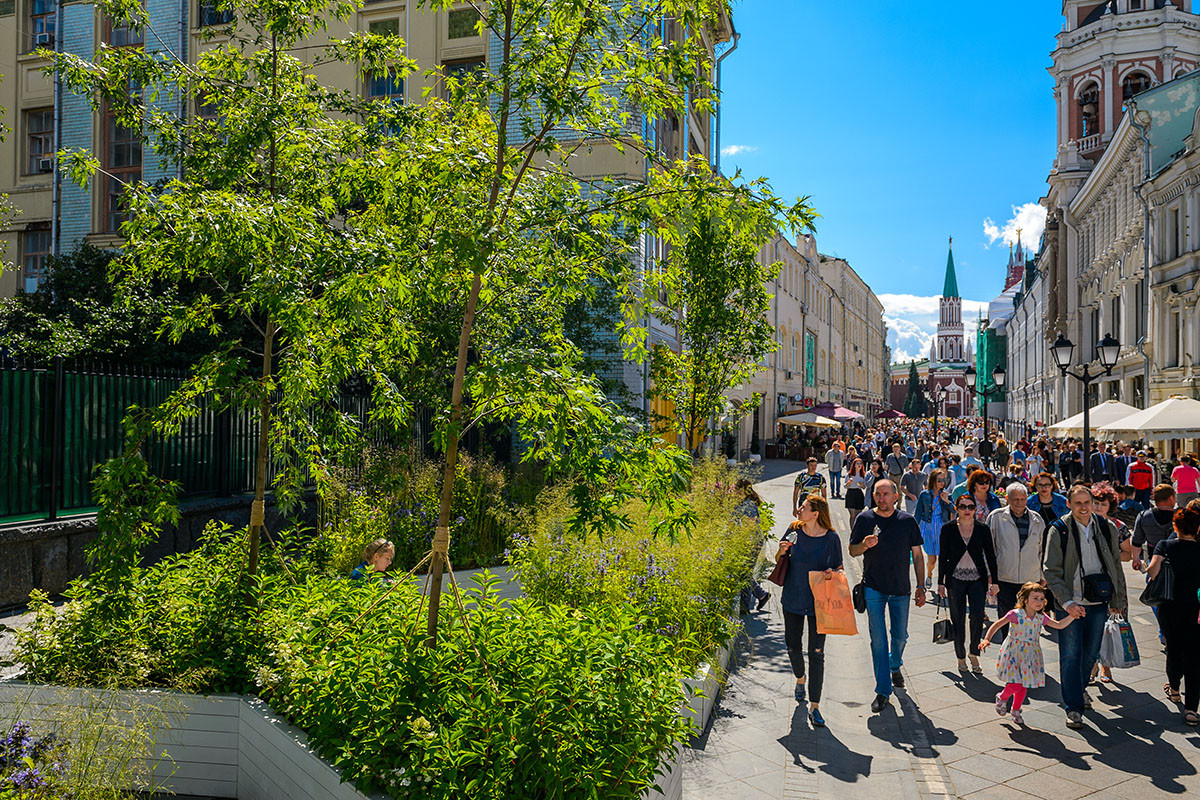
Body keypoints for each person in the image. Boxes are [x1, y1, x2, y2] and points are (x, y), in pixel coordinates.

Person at [1043, 484, 1128, 730]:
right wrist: (1067, 602)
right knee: (1070, 655)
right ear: (1069, 504)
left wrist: (1117, 599)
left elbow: (1114, 564)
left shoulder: (1106, 526)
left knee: (1091, 654)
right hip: (1070, 603)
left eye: (1086, 502)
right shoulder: (1058, 530)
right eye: (1077, 503)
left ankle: (1077, 693)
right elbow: (1050, 570)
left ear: (1092, 502)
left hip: (1098, 602)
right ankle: (1073, 707)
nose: (1083, 507)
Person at [848, 479, 926, 713]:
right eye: (877, 494)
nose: (881, 498)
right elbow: (852, 551)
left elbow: (918, 556)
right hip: (873, 587)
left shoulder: (907, 521)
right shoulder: (864, 519)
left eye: (885, 494)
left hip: (901, 589)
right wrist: (864, 545)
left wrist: (921, 586)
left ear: (895, 496)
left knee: (900, 636)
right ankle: (883, 690)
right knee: (879, 640)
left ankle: (894, 665)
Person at [774, 494, 843, 728]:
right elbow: (779, 558)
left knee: (816, 653)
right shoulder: (794, 529)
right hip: (793, 597)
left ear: (815, 513)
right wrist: (782, 551)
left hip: (819, 603)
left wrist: (830, 573)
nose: (799, 509)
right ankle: (800, 678)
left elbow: (838, 568)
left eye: (804, 507)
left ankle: (815, 706)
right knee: (792, 645)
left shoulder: (831, 538)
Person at [980, 582, 1077, 726]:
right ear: (1025, 600)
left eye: (1041, 599)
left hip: (1031, 654)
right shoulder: (1015, 614)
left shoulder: (1041, 617)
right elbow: (997, 624)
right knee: (1016, 683)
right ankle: (1002, 697)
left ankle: (1016, 709)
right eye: (1035, 598)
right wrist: (987, 639)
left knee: (1024, 684)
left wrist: (1073, 616)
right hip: (1014, 653)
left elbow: (1059, 625)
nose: (1039, 602)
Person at [1146, 500, 1200, 726]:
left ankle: (1175, 689)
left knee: (1174, 649)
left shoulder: (1164, 545)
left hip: (1169, 605)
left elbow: (1152, 570)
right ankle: (1191, 710)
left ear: (1176, 528)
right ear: (1197, 528)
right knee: (1194, 657)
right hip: (1196, 609)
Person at [938, 493, 999, 672]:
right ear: (956, 509)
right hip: (955, 579)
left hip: (977, 579)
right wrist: (941, 582)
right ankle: (960, 656)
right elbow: (943, 557)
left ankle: (974, 653)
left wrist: (994, 581)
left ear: (975, 510)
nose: (967, 510)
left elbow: (991, 556)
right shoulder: (948, 528)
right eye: (963, 507)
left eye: (970, 507)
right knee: (958, 619)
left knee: (977, 616)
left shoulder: (982, 529)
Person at [986, 484, 1046, 642]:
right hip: (1005, 577)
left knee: (1030, 619)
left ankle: (1029, 652)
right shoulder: (996, 517)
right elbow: (988, 548)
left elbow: (1042, 550)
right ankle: (1009, 653)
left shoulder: (1037, 519)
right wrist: (989, 575)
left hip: (1030, 579)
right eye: (1015, 499)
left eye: (1023, 499)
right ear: (1007, 499)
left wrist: (1043, 575)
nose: (1019, 503)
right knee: (1007, 619)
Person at [735, 478, 770, 613]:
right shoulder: (740, 503)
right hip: (743, 542)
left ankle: (744, 608)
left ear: (743, 490)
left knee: (744, 573)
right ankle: (761, 595)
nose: (734, 492)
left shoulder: (749, 505)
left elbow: (749, 526)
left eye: (736, 490)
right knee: (743, 573)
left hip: (750, 543)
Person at [914, 468, 953, 591]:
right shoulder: (924, 494)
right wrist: (912, 531)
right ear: (933, 481)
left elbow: (954, 511)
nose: (942, 483)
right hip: (928, 527)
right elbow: (918, 513)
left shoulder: (946, 495)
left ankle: (942, 582)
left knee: (944, 557)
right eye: (939, 480)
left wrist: (947, 501)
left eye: (944, 480)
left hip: (942, 527)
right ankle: (929, 574)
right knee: (932, 559)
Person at [845, 458, 868, 530]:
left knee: (858, 514)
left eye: (860, 464)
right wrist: (849, 483)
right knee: (853, 514)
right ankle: (852, 531)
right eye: (857, 463)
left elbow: (864, 487)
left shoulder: (863, 475)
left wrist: (862, 485)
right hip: (850, 493)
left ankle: (857, 530)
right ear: (854, 465)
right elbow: (845, 486)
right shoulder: (849, 474)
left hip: (858, 493)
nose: (859, 465)